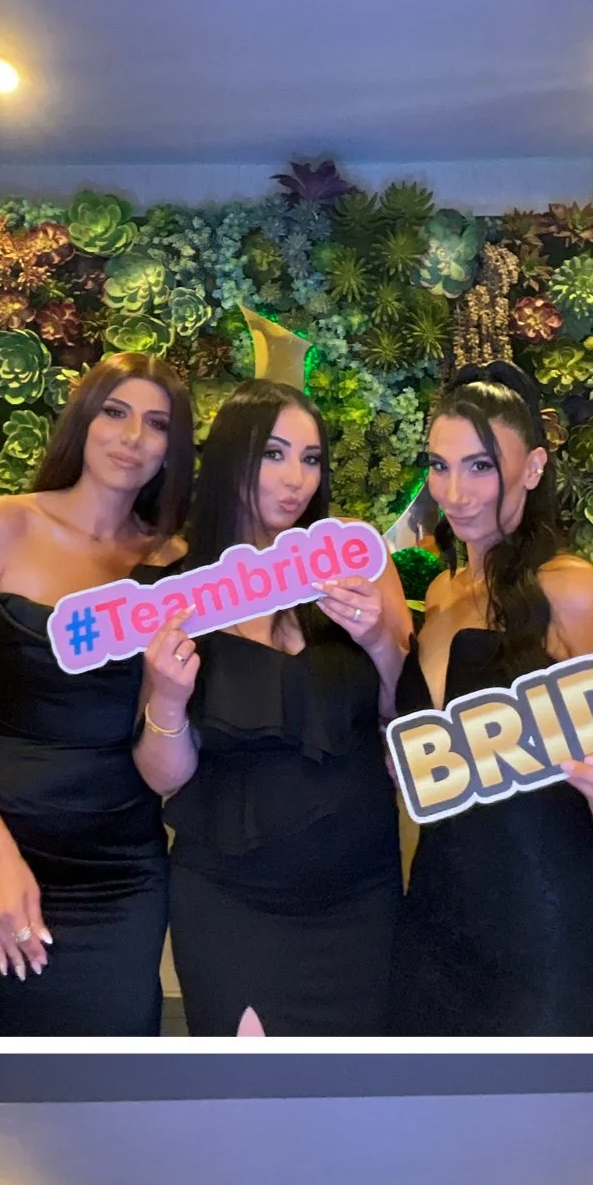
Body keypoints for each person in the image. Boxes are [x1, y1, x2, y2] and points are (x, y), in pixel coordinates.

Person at [0, 355, 194, 1035]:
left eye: (155, 424)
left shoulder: (179, 566)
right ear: (82, 420)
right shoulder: (1, 525)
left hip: (118, 872)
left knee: (107, 1091)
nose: (131, 437)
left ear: (172, 449)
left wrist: (168, 699)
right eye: (114, 412)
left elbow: (166, 760)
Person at [389, 363, 593, 1034]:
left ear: (533, 467)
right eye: (438, 465)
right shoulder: (440, 595)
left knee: (550, 1133)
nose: (454, 493)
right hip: (432, 914)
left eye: (479, 467)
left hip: (544, 928)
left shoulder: (572, 591)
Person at [135, 383, 409, 1034]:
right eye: (275, 454)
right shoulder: (171, 586)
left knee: (354, 1101)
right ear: (233, 457)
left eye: (310, 459)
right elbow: (163, 775)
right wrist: (168, 699)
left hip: (360, 893)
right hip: (233, 899)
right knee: (252, 1105)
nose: (295, 479)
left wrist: (377, 641)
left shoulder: (355, 565)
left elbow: (404, 727)